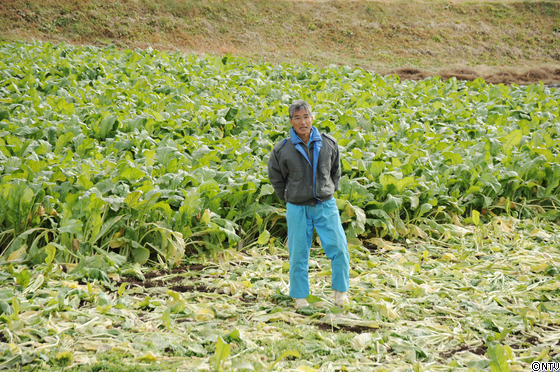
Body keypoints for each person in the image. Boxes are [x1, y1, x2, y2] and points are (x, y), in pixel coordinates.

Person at [267, 100, 350, 309]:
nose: (302, 122)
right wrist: (288, 197)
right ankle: (300, 298)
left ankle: (340, 293)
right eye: (297, 118)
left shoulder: (328, 143)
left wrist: (327, 189)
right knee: (298, 253)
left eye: (306, 116)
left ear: (312, 118)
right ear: (291, 121)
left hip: (325, 204)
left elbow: (335, 172)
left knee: (339, 248)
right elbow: (276, 178)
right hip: (297, 207)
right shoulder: (282, 149)